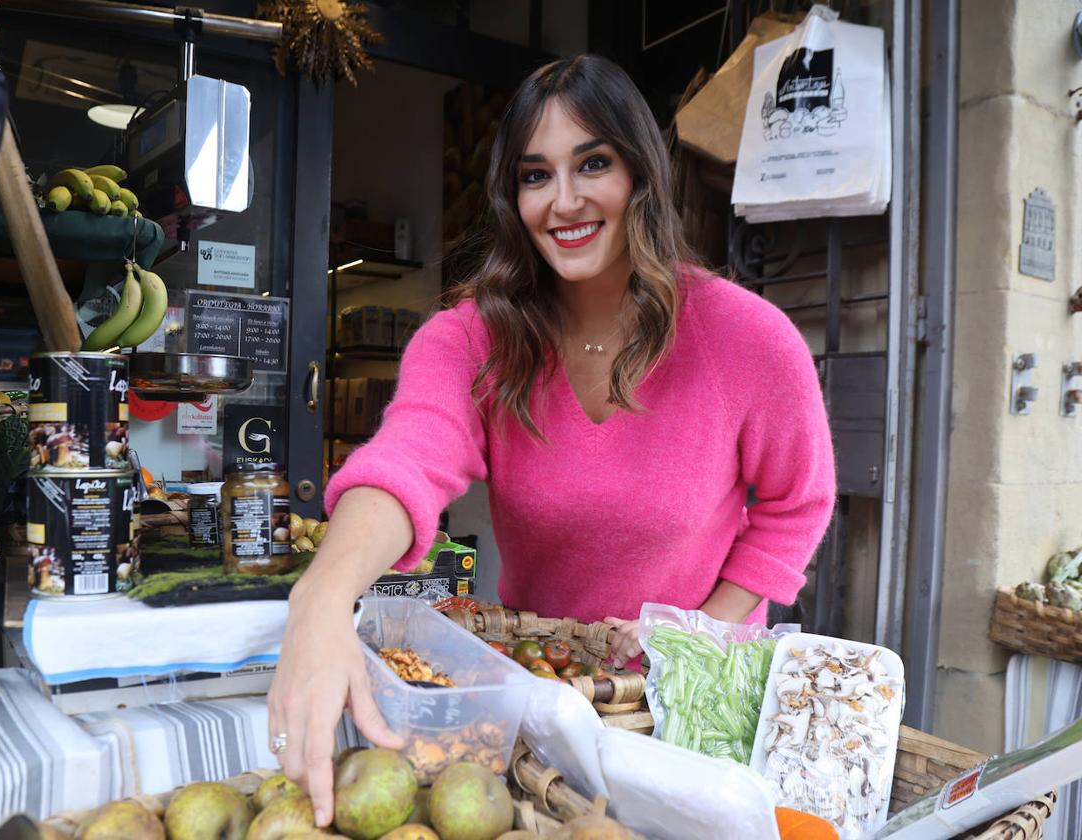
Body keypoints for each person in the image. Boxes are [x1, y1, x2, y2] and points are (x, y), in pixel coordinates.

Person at [268, 53, 836, 827]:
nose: (564, 201)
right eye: (536, 175)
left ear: (639, 174)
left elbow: (799, 503)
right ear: (512, 196)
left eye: (592, 164)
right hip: (542, 705)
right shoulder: (470, 340)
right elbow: (409, 456)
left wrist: (695, 631)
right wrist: (323, 594)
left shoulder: (749, 340)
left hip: (696, 717)